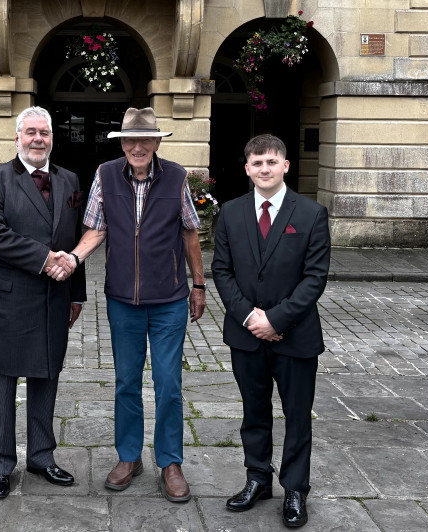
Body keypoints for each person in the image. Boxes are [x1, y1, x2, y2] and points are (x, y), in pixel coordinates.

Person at [52, 107, 206, 503]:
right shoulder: (105, 175)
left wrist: (199, 285)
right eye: (129, 140)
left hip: (170, 299)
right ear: (121, 143)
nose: (137, 147)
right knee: (125, 383)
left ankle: (170, 462)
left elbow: (190, 232)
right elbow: (95, 228)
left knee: (168, 384)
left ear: (157, 142)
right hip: (122, 300)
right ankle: (129, 457)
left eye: (145, 140)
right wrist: (72, 258)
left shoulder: (176, 177)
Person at [0, 106, 87, 499]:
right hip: (5, 300)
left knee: (46, 377)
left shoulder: (69, 180)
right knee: (1, 384)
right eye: (31, 132)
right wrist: (44, 258)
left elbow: (74, 240)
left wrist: (77, 292)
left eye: (45, 133)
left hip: (54, 297)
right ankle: (1, 464)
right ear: (17, 137)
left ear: (53, 138)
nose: (38, 139)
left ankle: (41, 455)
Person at [211, 134, 330, 528]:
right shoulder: (229, 212)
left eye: (271, 161)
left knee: (297, 416)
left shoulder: (311, 214)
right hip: (246, 335)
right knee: (254, 412)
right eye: (257, 162)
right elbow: (222, 272)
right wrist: (250, 318)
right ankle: (257, 478)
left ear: (285, 166)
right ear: (247, 168)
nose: (264, 168)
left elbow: (314, 279)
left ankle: (295, 488)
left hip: (295, 336)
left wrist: (276, 320)